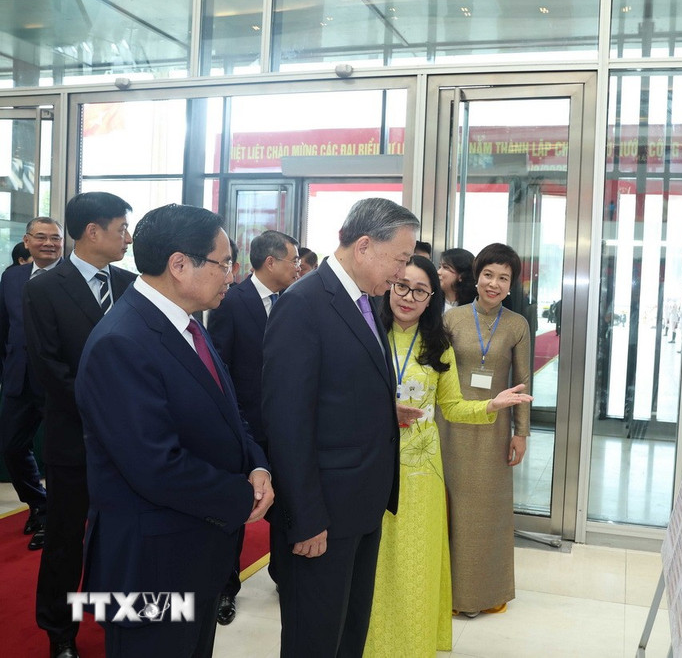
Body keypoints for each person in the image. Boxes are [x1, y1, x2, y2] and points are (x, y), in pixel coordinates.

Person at [74, 204, 273, 657]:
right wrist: (241, 497)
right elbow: (154, 465)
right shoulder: (122, 342)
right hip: (150, 562)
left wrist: (256, 464)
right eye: (224, 263)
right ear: (180, 265)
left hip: (193, 551)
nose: (232, 275)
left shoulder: (186, 326)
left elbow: (228, 412)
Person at [261, 197, 420, 657]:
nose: (402, 273)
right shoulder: (305, 305)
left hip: (360, 506)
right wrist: (306, 519)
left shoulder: (365, 303)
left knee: (349, 631)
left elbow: (341, 391)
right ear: (365, 246)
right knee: (315, 637)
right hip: (323, 515)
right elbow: (288, 424)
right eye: (401, 259)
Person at [364, 256, 532, 656]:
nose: (408, 297)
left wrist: (493, 406)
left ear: (430, 300)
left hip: (422, 472)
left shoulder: (437, 345)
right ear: (389, 285)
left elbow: (453, 406)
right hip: (371, 464)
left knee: (417, 561)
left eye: (420, 291)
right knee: (378, 559)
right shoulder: (366, 334)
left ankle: (414, 643)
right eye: (402, 286)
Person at [23, 193, 138, 658]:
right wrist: (109, 410)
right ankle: (60, 633)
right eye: (121, 228)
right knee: (68, 539)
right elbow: (50, 369)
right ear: (93, 231)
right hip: (75, 439)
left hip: (133, 441)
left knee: (127, 537)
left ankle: (125, 620)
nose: (128, 238)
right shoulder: (45, 289)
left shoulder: (133, 286)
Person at [207, 229, 299, 624]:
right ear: (271, 262)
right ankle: (227, 588)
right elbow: (220, 366)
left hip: (288, 427)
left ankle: (285, 575)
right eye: (293, 260)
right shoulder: (233, 300)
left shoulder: (296, 301)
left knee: (287, 505)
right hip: (245, 427)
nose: (299, 267)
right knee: (239, 509)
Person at [440, 242, 532, 616]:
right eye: (488, 275)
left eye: (503, 278)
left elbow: (524, 382)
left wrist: (521, 433)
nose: (494, 283)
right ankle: (449, 592)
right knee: (451, 507)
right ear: (476, 278)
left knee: (487, 511)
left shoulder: (517, 325)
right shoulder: (450, 319)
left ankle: (482, 592)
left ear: (511, 286)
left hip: (494, 429)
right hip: (450, 424)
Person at [0, 217, 63, 554]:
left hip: (57, 384)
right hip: (18, 379)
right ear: (27, 241)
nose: (49, 243)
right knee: (11, 445)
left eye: (55, 237)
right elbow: (4, 327)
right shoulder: (11, 277)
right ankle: (38, 503)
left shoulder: (72, 278)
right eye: (41, 237)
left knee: (56, 455)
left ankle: (55, 518)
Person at [437, 247, 477, 313]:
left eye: (445, 267)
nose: (438, 272)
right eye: (439, 267)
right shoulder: (432, 299)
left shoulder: (476, 303)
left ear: (462, 275)